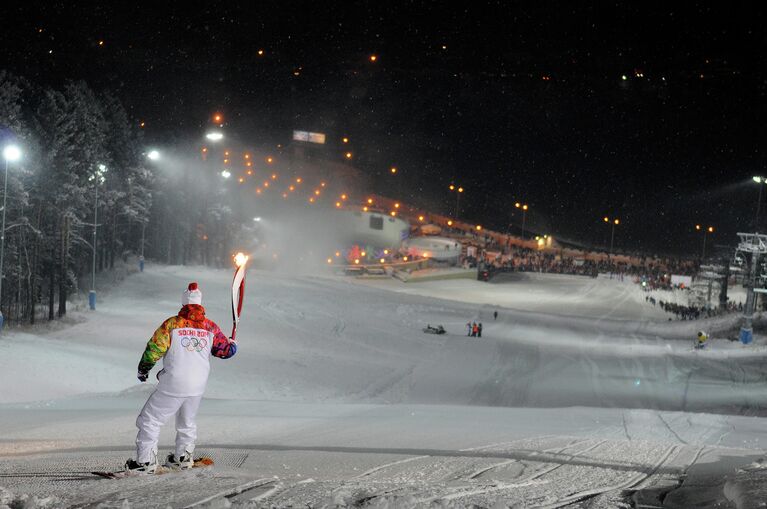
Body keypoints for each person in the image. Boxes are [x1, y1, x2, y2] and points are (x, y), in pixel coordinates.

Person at [125, 282, 238, 473]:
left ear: (184, 303)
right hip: (198, 385)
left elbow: (154, 349)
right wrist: (232, 344)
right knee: (187, 422)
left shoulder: (172, 324)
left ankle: (145, 462)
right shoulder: (210, 327)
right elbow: (226, 351)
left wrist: (144, 369)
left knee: (150, 420)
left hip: (175, 382)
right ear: (200, 304)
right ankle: (183, 457)